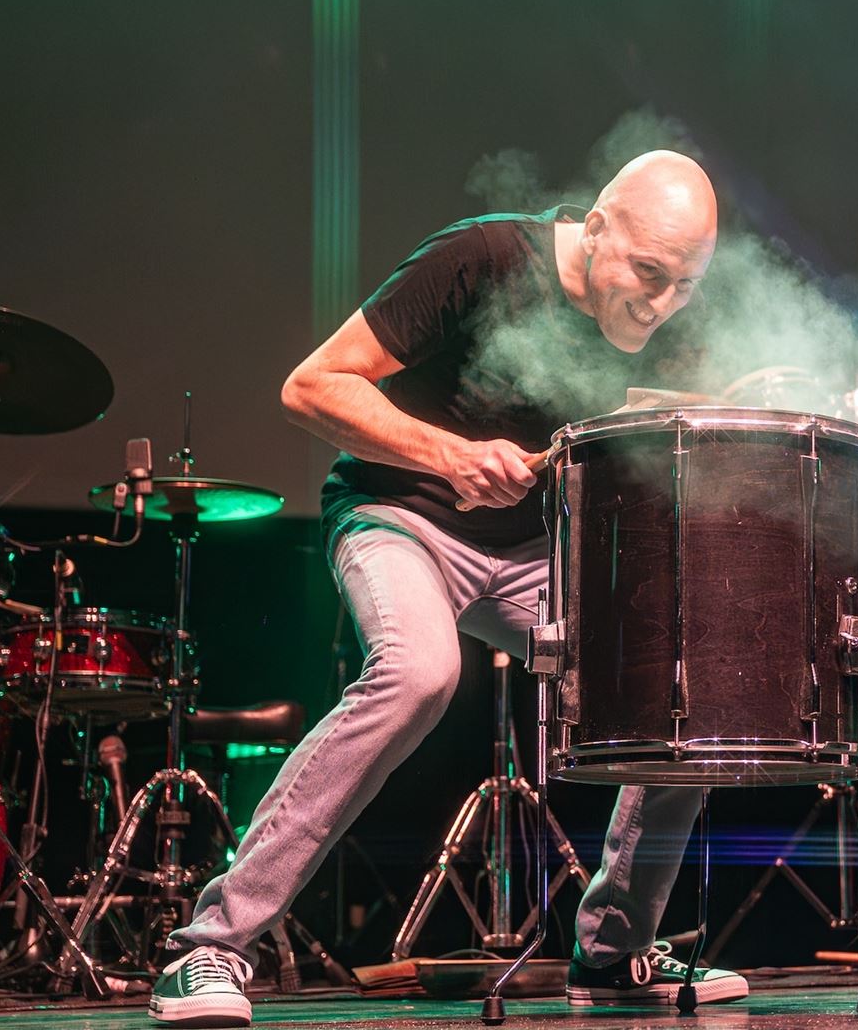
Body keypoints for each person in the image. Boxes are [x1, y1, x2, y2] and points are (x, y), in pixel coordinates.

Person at [149, 151, 745, 1027]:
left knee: (678, 685)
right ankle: (208, 947)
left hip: (531, 553)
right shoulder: (482, 259)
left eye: (684, 286)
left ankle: (615, 953)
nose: (660, 305)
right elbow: (310, 386)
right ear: (596, 229)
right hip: (400, 518)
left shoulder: (653, 316)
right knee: (420, 673)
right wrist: (450, 455)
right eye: (649, 274)